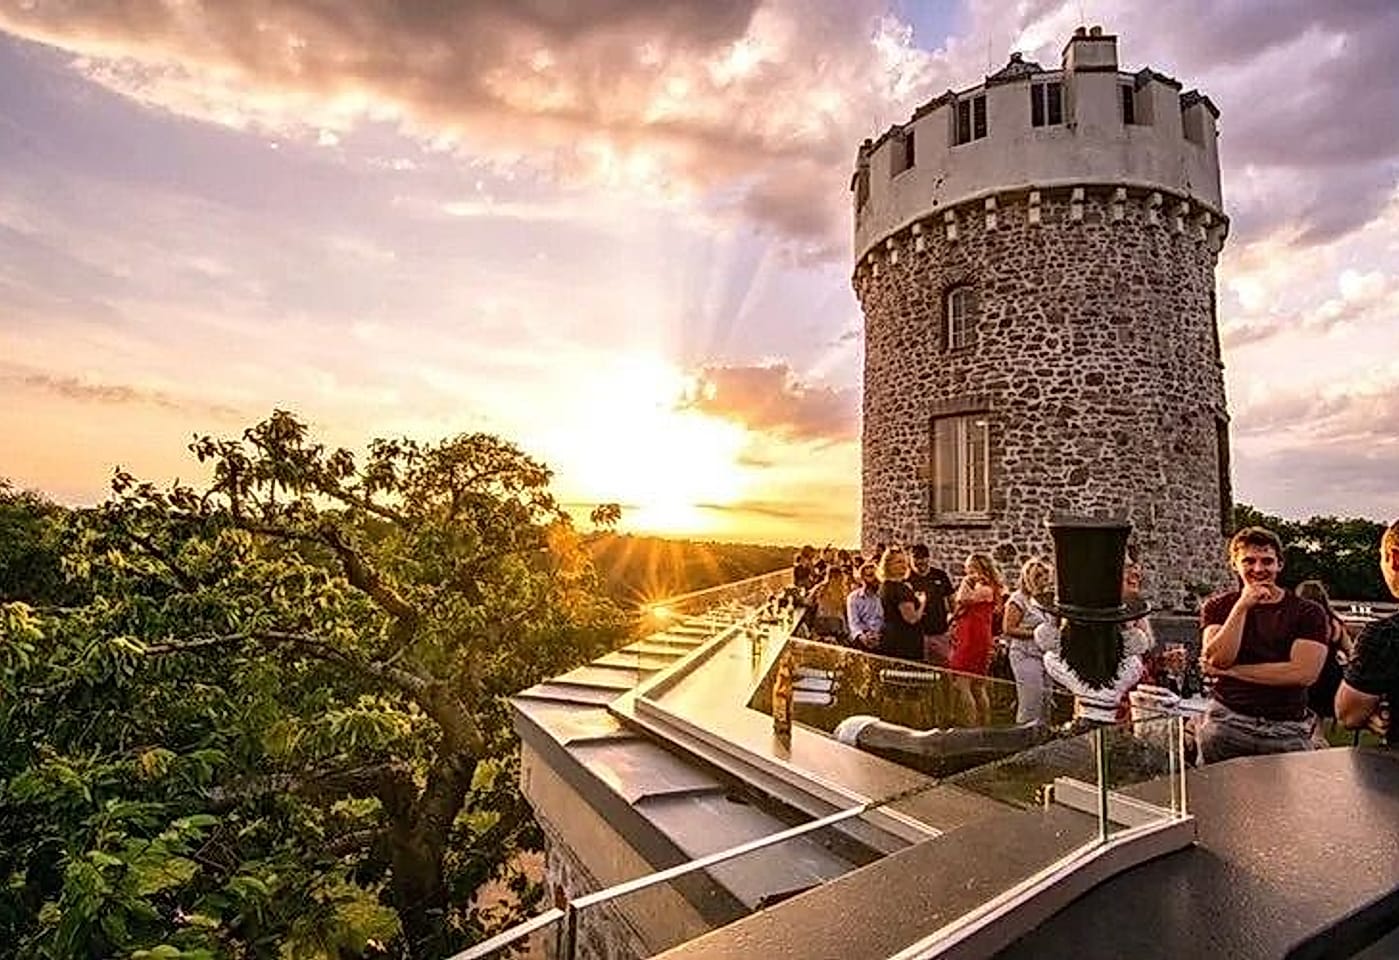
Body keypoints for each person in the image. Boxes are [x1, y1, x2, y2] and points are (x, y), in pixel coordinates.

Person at [1197, 527, 1330, 763]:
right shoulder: (1218, 607)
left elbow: (1303, 673)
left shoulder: (1308, 612)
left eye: (1267, 561)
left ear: (1280, 564)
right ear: (1234, 565)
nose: (1258, 569)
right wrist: (1242, 607)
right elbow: (1218, 658)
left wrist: (1230, 672)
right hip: (1228, 723)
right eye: (1249, 561)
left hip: (1287, 729)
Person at [1335, 519, 1399, 743]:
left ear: (1394, 558)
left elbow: (1348, 714)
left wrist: (1373, 712)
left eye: (1381, 557)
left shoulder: (1386, 635)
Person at [949, 554, 1004, 726]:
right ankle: (983, 724)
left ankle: (971, 726)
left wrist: (965, 582)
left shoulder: (985, 589)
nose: (967, 571)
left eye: (969, 568)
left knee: (963, 683)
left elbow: (961, 599)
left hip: (972, 637)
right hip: (978, 635)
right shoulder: (986, 588)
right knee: (977, 686)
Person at [1294, 579, 1353, 723]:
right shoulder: (1335, 623)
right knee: (1318, 719)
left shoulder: (1296, 623)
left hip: (1305, 675)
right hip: (1330, 676)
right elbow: (1351, 652)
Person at [1004, 558, 1054, 724]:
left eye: (1045, 575)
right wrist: (1036, 634)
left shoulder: (1047, 600)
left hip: (1045, 655)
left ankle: (1043, 735)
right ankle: (1024, 734)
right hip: (1025, 654)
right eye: (1039, 576)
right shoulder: (1019, 599)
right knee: (1031, 701)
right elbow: (1008, 628)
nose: (1044, 580)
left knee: (1046, 700)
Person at [908, 543, 955, 666]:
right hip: (915, 635)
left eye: (923, 557)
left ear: (928, 558)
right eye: (916, 558)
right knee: (918, 669)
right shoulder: (906, 579)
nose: (920, 561)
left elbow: (952, 601)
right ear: (910, 559)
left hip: (939, 633)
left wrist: (953, 622)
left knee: (943, 668)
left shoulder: (940, 575)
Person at [877, 547, 926, 663]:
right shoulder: (900, 588)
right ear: (888, 565)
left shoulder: (885, 586)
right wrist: (922, 602)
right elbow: (912, 618)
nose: (904, 565)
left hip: (890, 638)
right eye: (899, 562)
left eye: (905, 561)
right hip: (905, 643)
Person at [846, 560, 884, 650]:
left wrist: (879, 635)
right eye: (870, 575)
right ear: (862, 579)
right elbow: (854, 623)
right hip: (863, 637)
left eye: (876, 576)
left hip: (883, 637)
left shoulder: (884, 596)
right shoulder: (854, 597)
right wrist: (862, 636)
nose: (875, 579)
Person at [810, 564, 852, 643]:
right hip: (837, 622)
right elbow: (845, 606)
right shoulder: (841, 589)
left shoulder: (820, 587)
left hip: (820, 621)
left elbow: (810, 600)